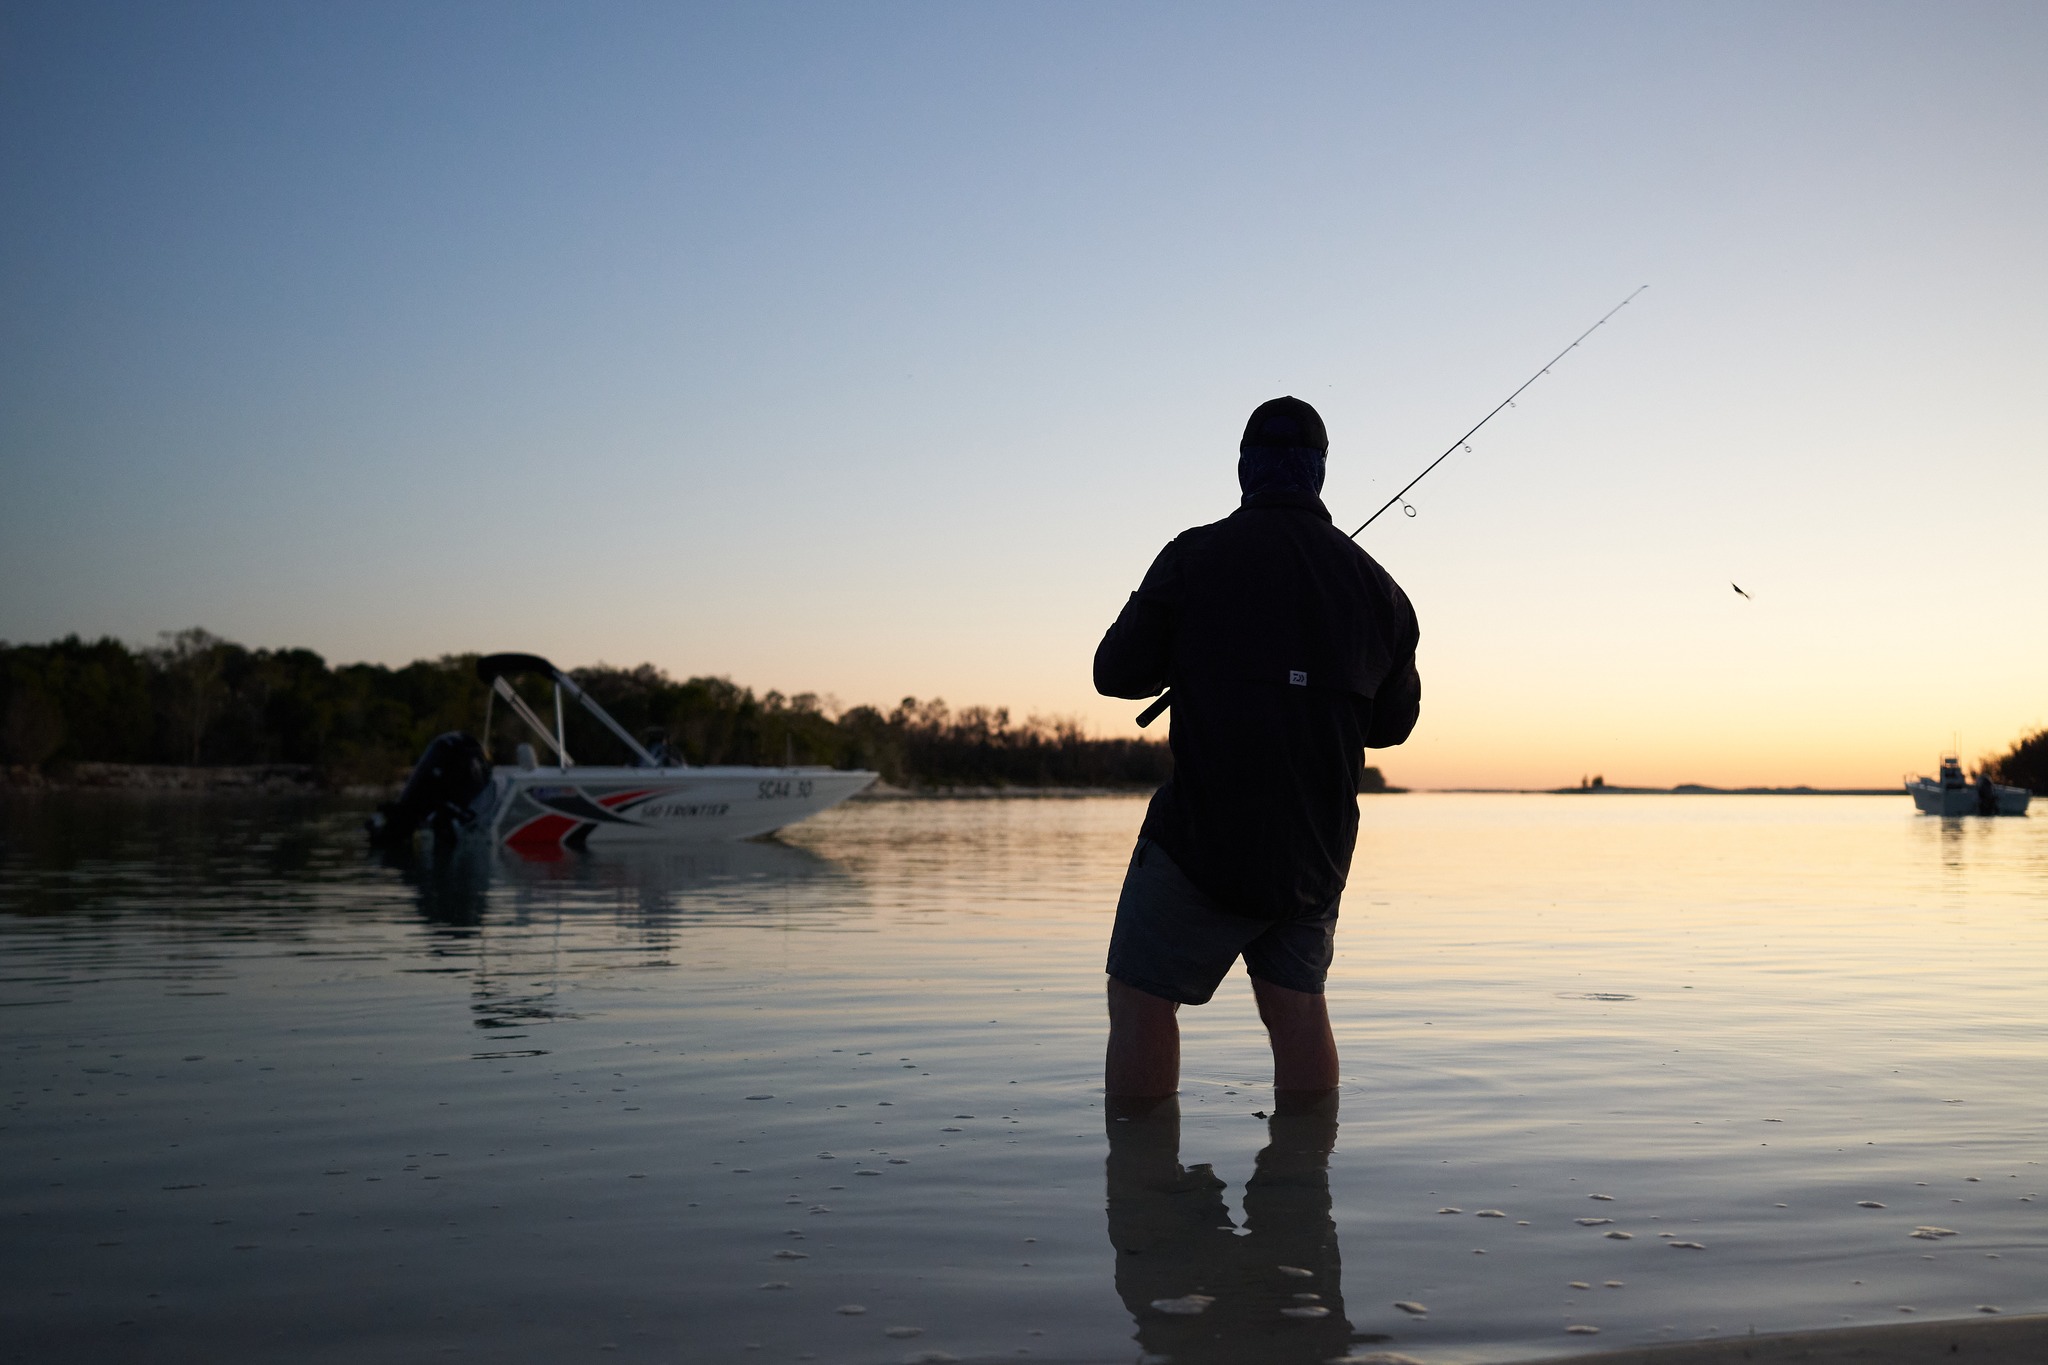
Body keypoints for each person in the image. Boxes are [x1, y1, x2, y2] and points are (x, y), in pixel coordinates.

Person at [1093, 396, 1420, 1101]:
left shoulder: (1193, 557)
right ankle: (1304, 1190)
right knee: (1298, 1009)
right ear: (1320, 475)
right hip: (1315, 853)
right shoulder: (1383, 593)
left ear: (1245, 469)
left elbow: (1114, 673)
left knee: (1142, 996)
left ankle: (1146, 1189)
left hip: (1201, 846)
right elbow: (1393, 725)